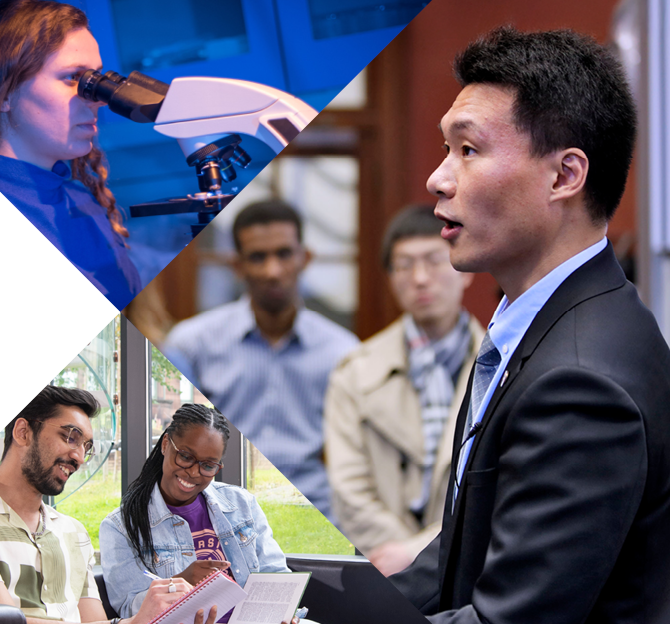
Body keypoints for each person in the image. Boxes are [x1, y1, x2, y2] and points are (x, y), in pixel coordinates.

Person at [388, 27, 670, 623]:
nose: (439, 179)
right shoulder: (552, 319)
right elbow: (470, 543)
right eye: (446, 150)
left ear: (565, 176)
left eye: (467, 150)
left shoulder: (581, 380)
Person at [0, 386, 210, 624]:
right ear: (22, 432)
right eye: (70, 437)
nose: (79, 457)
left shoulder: (72, 532)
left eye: (86, 447)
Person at [0, 0, 141, 309]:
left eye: (96, 79)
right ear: (3, 93)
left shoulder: (82, 202)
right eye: (72, 77)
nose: (97, 99)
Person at [163, 201, 359, 522]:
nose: (272, 271)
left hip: (318, 513)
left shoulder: (342, 351)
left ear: (304, 258)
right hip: (215, 508)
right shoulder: (193, 344)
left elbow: (359, 459)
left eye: (283, 254)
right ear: (237, 265)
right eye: (258, 257)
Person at [324, 204, 483, 576]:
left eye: (434, 260)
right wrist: (406, 555)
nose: (421, 278)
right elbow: (350, 491)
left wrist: (422, 551)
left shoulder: (505, 363)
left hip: (474, 563)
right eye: (405, 265)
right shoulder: (355, 372)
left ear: (465, 271)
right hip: (386, 565)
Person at [99, 404, 291, 621]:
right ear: (165, 445)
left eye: (207, 466)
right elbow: (129, 609)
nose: (192, 473)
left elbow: (275, 575)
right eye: (185, 456)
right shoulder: (120, 527)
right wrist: (181, 581)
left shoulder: (241, 504)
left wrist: (285, 612)